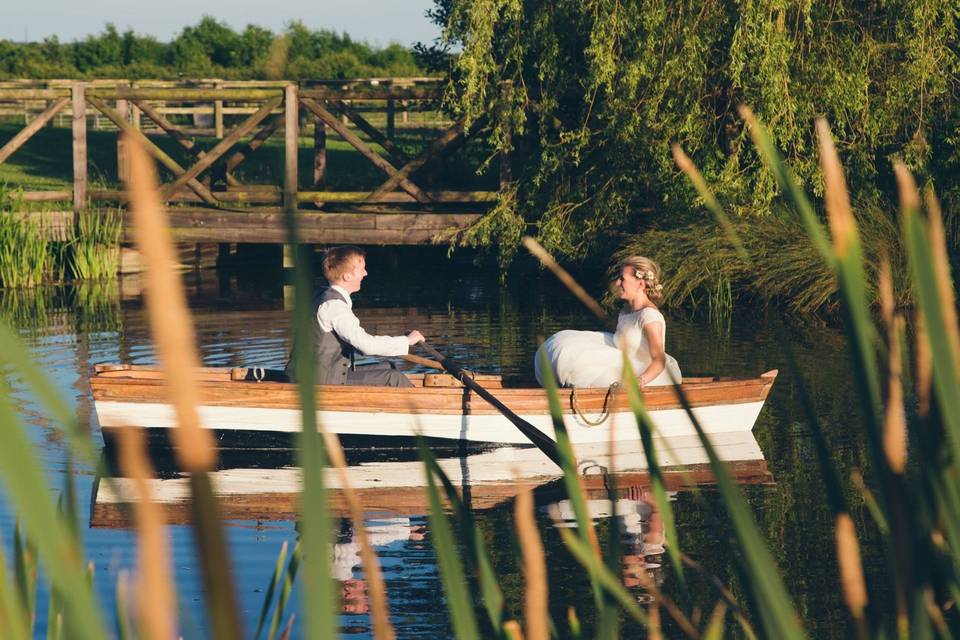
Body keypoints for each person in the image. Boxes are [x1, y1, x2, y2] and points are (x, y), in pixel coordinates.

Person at [284, 246, 424, 387]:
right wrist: (407, 341)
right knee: (393, 378)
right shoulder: (335, 307)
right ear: (347, 276)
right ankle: (425, 406)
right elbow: (366, 346)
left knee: (389, 366)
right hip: (317, 384)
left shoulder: (321, 294)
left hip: (311, 375)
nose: (366, 273)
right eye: (362, 269)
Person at [534, 256, 681, 388]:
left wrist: (637, 382)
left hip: (645, 374)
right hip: (621, 362)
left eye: (622, 279)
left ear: (641, 284)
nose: (617, 283)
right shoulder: (626, 310)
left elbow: (659, 360)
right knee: (567, 348)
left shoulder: (650, 317)